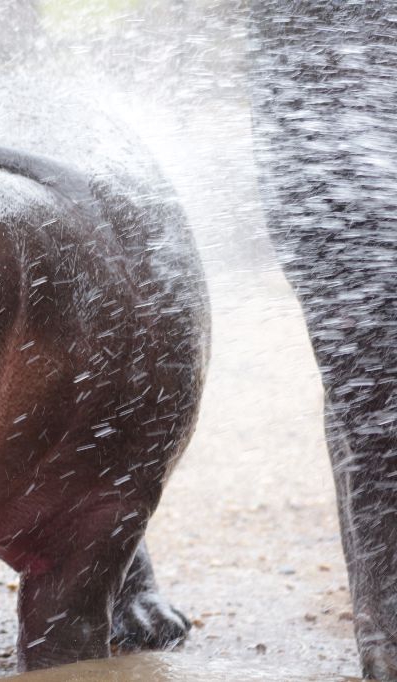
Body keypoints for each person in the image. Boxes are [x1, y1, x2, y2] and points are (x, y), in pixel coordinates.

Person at [249, 4, 397, 679]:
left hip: (323, 149)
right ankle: (386, 635)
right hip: (328, 175)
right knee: (371, 397)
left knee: (369, 400)